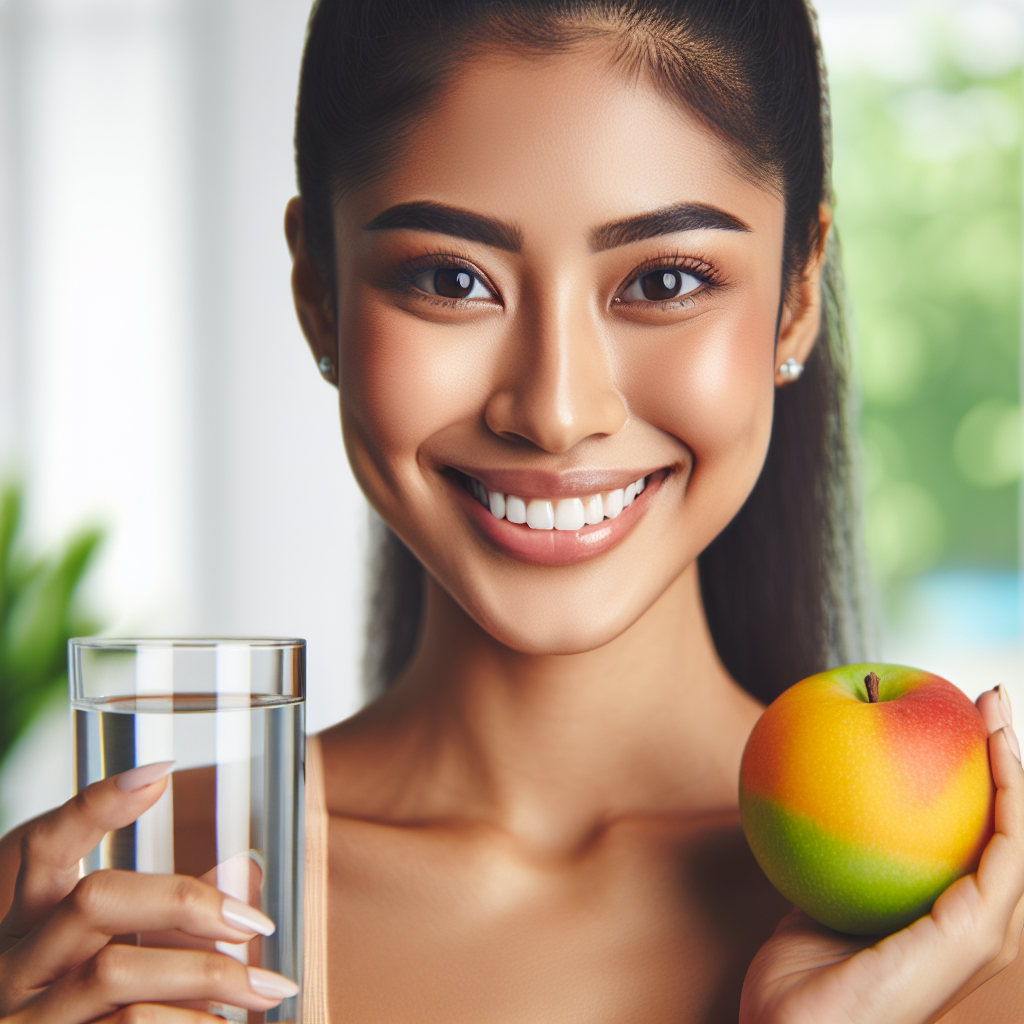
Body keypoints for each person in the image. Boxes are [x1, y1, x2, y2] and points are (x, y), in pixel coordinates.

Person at [0, 0, 1021, 1020]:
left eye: (664, 279)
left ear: (796, 292)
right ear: (317, 290)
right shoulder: (120, 915)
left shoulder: (969, 944)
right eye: (452, 279)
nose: (556, 410)